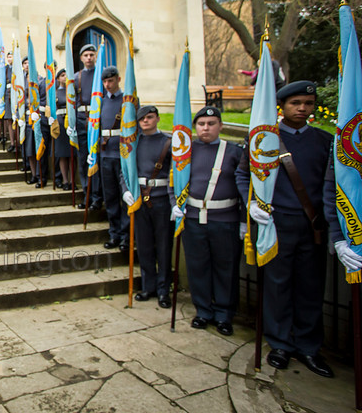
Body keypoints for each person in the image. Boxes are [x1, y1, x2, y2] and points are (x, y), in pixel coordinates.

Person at [237, 81, 334, 376]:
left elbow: (333, 184)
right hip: (276, 224)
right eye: (296, 103)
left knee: (310, 287)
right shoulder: (265, 139)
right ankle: (279, 343)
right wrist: (250, 205)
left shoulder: (324, 140)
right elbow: (244, 175)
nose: (302, 108)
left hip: (312, 225)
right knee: (277, 286)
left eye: (308, 102)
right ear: (282, 106)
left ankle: (308, 346)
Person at [174, 106, 243, 337]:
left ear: (220, 126)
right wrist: (176, 204)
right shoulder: (186, 150)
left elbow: (246, 189)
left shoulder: (234, 152)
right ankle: (203, 310)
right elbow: (173, 178)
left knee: (226, 267)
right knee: (197, 266)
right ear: (195, 127)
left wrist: (243, 221)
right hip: (193, 218)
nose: (206, 128)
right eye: (201, 124)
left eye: (211, 123)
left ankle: (224, 314)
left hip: (225, 219)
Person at [120, 106, 173, 307]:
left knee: (163, 246)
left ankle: (163, 290)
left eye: (150, 117)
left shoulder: (168, 142)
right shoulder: (134, 143)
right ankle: (148, 286)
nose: (145, 121)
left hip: (161, 199)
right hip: (139, 199)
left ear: (158, 118)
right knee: (143, 246)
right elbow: (124, 170)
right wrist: (125, 190)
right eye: (142, 119)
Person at [94, 66, 129, 250]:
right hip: (105, 154)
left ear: (119, 79)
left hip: (123, 155)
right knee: (111, 196)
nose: (108, 85)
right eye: (105, 82)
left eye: (111, 81)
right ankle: (114, 234)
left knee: (124, 198)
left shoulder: (127, 101)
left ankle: (126, 236)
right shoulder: (100, 102)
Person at [74, 44, 103, 210]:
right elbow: (74, 101)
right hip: (81, 122)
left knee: (97, 161)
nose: (89, 58)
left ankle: (98, 197)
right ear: (81, 58)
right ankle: (88, 195)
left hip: (97, 122)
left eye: (92, 54)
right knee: (84, 161)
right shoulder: (77, 76)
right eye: (86, 55)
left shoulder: (101, 75)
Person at [53, 68, 72, 189]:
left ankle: (72, 180)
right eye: (62, 75)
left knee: (72, 154)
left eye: (66, 75)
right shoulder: (55, 92)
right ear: (58, 78)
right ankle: (65, 180)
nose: (65, 77)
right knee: (62, 154)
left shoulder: (72, 91)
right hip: (60, 122)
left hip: (71, 123)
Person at [2, 50, 16, 152]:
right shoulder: (5, 69)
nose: (9, 59)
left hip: (16, 95)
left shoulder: (18, 69)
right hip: (7, 95)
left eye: (11, 56)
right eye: (8, 57)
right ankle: (12, 143)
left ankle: (18, 142)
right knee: (9, 120)